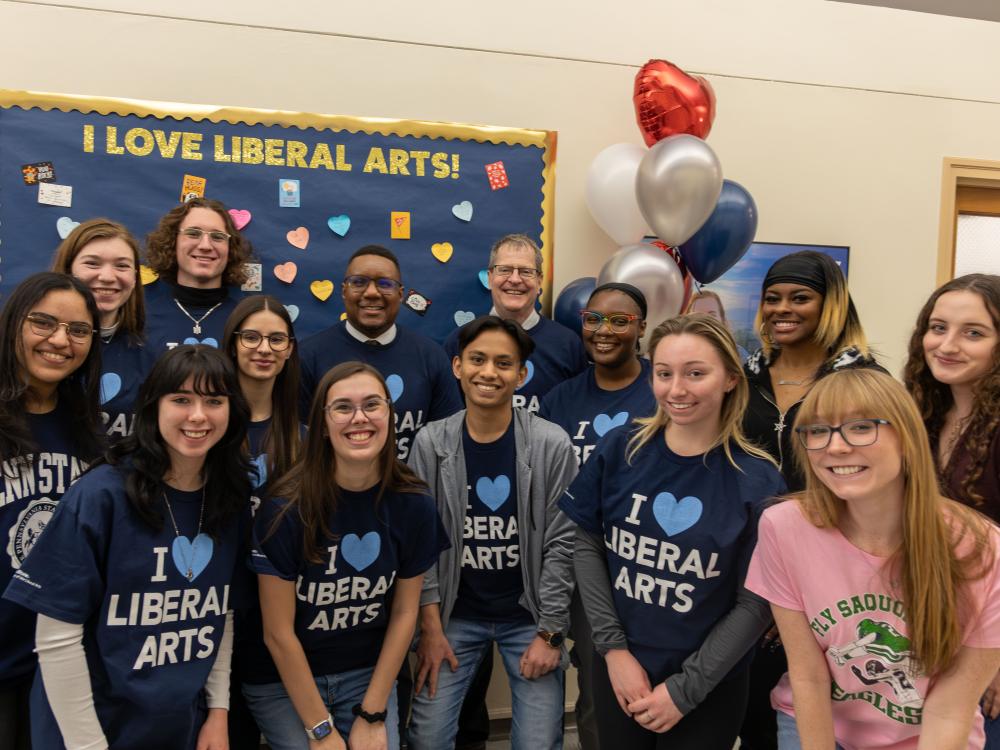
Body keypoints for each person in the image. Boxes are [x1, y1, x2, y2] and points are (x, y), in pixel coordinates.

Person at [3, 344, 252, 749]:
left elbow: (218, 613)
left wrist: (218, 711)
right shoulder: (100, 496)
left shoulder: (230, 498)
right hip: (88, 728)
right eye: (181, 399)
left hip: (177, 727)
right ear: (153, 407)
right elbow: (55, 637)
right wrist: (88, 745)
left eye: (214, 400)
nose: (198, 415)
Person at [558, 313, 783, 750]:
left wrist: (686, 690)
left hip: (710, 684)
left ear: (731, 379)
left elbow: (756, 603)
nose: (676, 390)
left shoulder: (758, 480)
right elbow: (585, 543)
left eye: (695, 373)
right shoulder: (621, 449)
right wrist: (614, 651)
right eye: (664, 374)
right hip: (621, 669)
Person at [745, 367, 1000, 749]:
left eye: (861, 427)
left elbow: (950, 708)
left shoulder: (980, 546)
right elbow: (809, 677)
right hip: (816, 723)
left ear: (906, 438)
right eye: (817, 431)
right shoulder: (783, 527)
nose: (836, 447)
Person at [245, 361, 448, 750]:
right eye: (343, 407)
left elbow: (406, 613)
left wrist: (372, 714)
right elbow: (277, 633)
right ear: (321, 424)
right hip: (280, 679)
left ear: (390, 416)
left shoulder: (414, 503)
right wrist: (320, 730)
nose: (360, 418)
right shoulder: (285, 507)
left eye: (373, 405)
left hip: (365, 671)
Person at [407, 315, 578, 750]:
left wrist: (551, 632)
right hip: (453, 617)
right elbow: (418, 542)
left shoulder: (550, 444)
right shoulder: (430, 443)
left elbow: (563, 542)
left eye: (504, 363)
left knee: (538, 743)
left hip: (530, 618)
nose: (489, 372)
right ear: (457, 366)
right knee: (426, 738)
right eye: (478, 360)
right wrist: (429, 628)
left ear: (521, 375)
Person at [740, 250, 877, 750]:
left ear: (832, 304)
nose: (783, 309)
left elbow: (874, 491)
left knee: (814, 716)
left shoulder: (861, 382)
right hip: (744, 575)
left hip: (824, 582)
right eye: (772, 298)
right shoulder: (743, 378)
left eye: (800, 298)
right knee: (752, 714)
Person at [539, 281, 656, 750]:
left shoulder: (660, 389)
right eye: (593, 319)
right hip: (582, 566)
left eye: (619, 320)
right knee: (596, 695)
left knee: (655, 685)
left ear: (641, 327)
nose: (604, 331)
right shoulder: (560, 400)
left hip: (648, 564)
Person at [0, 271, 104, 749]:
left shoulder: (87, 425)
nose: (60, 341)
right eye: (43, 323)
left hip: (57, 664)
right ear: (14, 325)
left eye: (79, 330)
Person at [903, 273, 1000, 745]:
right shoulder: (921, 413)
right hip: (930, 630)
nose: (947, 344)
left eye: (974, 333)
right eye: (938, 327)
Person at [221, 295, 303, 749]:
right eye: (251, 336)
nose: (263, 348)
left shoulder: (304, 438)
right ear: (232, 344)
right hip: (218, 610)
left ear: (290, 349)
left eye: (276, 338)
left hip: (281, 615)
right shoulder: (205, 426)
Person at [298, 245, 462, 461]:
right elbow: (297, 443)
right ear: (344, 290)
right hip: (330, 492)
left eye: (385, 284)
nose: (372, 292)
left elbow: (449, 444)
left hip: (413, 491)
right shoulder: (307, 356)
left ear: (400, 294)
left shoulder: (431, 356)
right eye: (359, 282)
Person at [444, 234, 588, 413]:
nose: (514, 279)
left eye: (526, 272)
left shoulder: (568, 344)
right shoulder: (459, 341)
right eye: (504, 270)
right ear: (490, 278)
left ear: (539, 281)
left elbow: (578, 411)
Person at [51, 217, 154, 440]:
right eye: (92, 263)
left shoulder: (152, 355)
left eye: (122, 265)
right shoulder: (38, 346)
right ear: (67, 269)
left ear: (135, 278)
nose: (107, 277)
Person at [143, 197, 251, 352]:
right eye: (193, 233)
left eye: (217, 237)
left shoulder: (247, 319)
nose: (205, 245)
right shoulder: (140, 314)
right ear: (173, 242)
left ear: (230, 248)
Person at [683, 290, 749, 361]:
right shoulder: (678, 355)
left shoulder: (739, 355)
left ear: (722, 320)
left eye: (712, 315)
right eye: (697, 315)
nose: (705, 321)